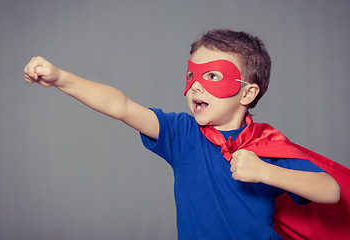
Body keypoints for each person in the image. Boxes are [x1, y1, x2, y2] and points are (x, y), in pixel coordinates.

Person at [24, 29, 342, 239]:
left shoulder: (267, 145)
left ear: (247, 94)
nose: (196, 86)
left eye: (213, 75)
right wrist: (60, 78)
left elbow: (330, 190)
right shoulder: (183, 135)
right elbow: (120, 106)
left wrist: (264, 171)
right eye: (192, 75)